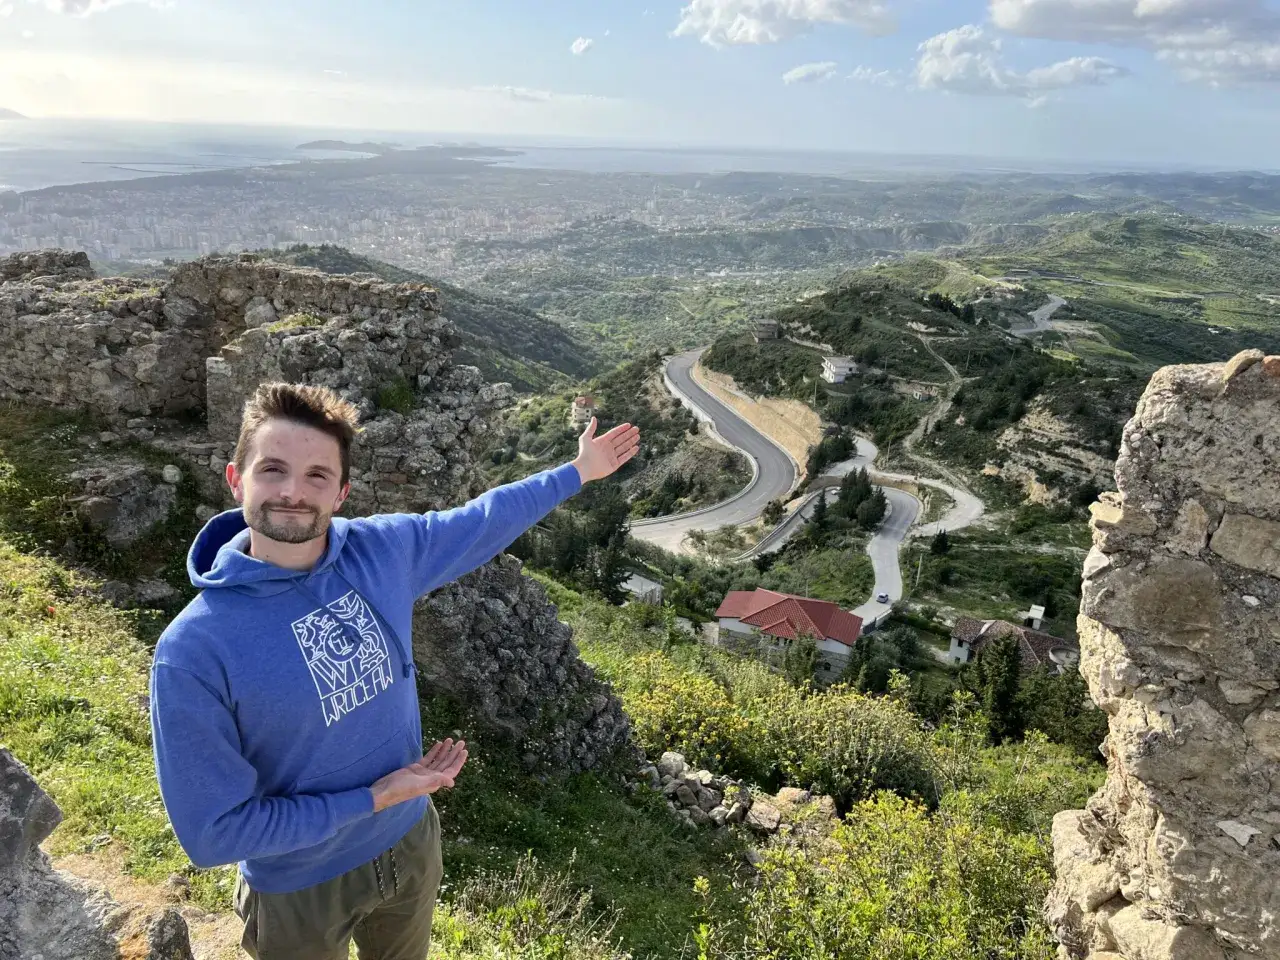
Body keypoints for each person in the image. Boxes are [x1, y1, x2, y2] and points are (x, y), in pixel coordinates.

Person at [149, 383, 640, 960]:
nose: (292, 492)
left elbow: (482, 520)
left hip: (409, 842)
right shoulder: (193, 650)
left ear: (342, 491)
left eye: (317, 476)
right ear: (236, 479)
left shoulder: (380, 552)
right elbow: (213, 835)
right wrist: (372, 798)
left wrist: (578, 471)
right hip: (300, 886)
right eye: (273, 469)